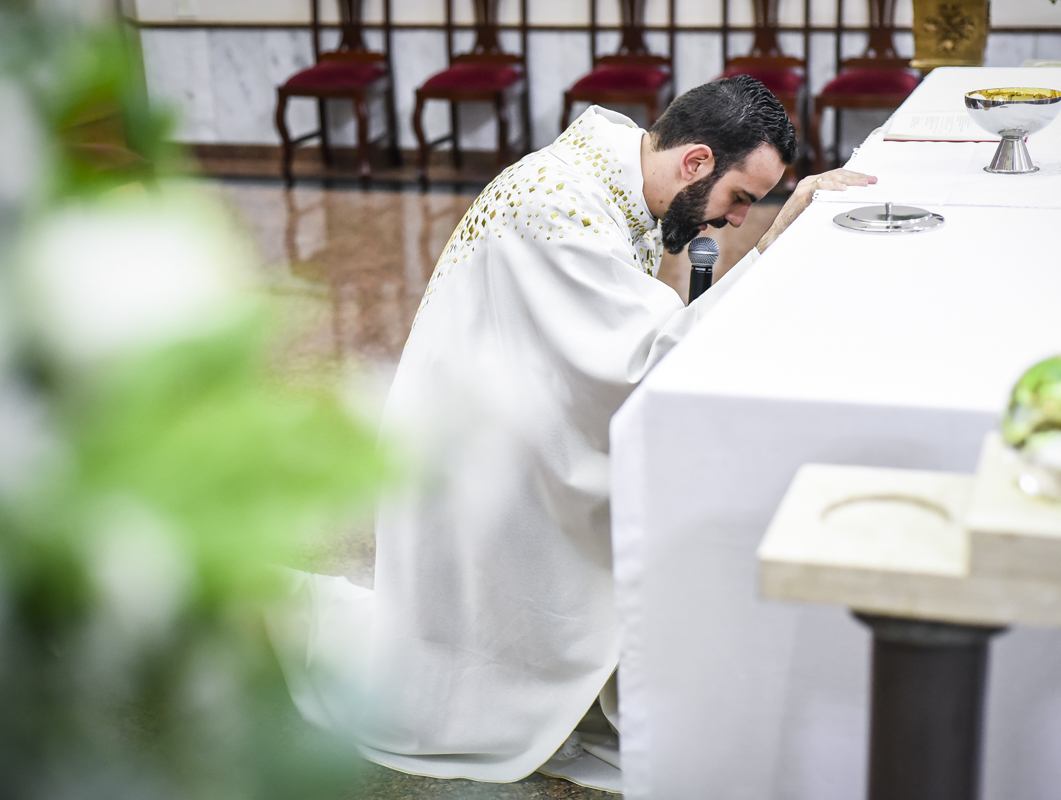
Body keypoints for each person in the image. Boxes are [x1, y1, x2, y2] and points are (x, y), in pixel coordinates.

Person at [266, 76, 876, 791]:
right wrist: (774, 247)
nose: (738, 220)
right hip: (475, 461)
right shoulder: (561, 210)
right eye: (741, 198)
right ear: (695, 162)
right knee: (664, 502)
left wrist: (687, 239)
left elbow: (643, 311)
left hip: (508, 410)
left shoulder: (620, 170)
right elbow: (647, 363)